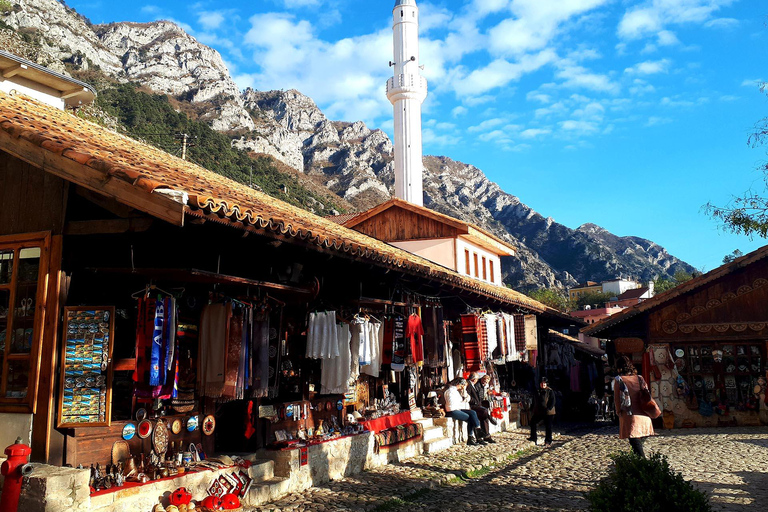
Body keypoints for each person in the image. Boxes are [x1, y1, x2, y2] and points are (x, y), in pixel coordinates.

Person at [614, 355, 654, 457]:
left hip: (630, 414)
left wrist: (618, 412)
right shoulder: (640, 378)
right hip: (644, 415)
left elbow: (617, 399)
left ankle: (643, 467)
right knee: (638, 442)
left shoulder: (619, 380)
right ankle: (639, 464)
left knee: (635, 442)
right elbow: (647, 394)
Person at [444, 377, 485, 446]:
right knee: (471, 418)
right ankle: (472, 436)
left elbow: (464, 398)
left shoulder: (455, 391)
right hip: (452, 410)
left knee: (473, 413)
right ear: (458, 384)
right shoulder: (451, 391)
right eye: (461, 385)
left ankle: (477, 430)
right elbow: (453, 402)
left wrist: (464, 392)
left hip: (457, 408)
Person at [466, 372, 497, 443]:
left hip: (477, 404)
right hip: (472, 406)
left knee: (484, 417)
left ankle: (487, 436)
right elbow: (468, 396)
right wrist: (475, 402)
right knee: (484, 412)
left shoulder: (475, 385)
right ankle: (490, 418)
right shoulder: (470, 385)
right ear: (474, 379)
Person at [528, 376, 555, 447]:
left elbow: (553, 400)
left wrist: (549, 408)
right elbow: (535, 400)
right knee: (533, 422)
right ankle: (533, 437)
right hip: (539, 411)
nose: (543, 385)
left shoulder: (549, 391)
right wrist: (532, 408)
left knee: (548, 427)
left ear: (546, 384)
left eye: (544, 383)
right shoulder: (537, 391)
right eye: (541, 383)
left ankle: (548, 441)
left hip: (548, 412)